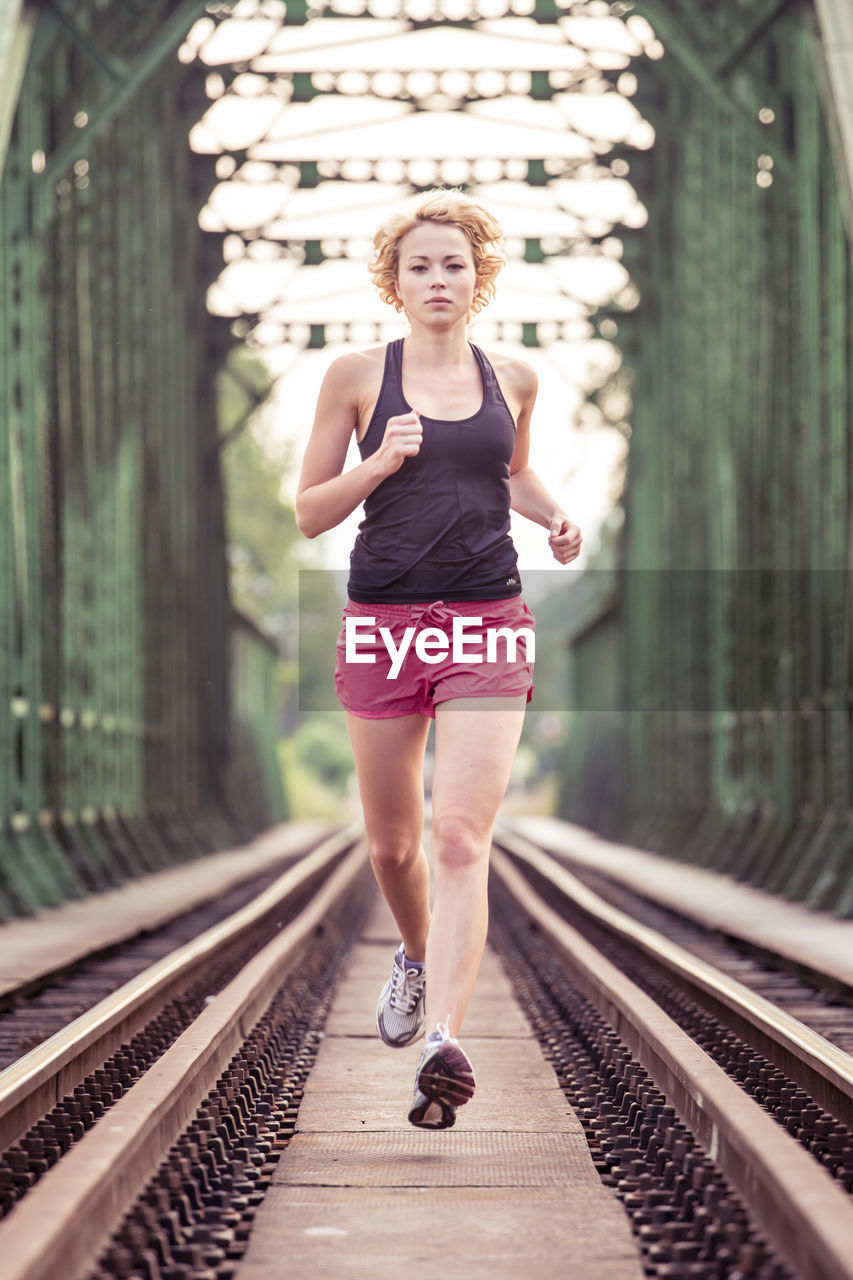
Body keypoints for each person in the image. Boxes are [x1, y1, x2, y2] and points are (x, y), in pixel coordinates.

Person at [295, 189, 582, 1129]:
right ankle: (416, 959)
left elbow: (513, 471)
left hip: (485, 619)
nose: (436, 278)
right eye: (418, 264)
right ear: (394, 281)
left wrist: (554, 515)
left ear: (477, 277)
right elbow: (308, 512)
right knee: (393, 846)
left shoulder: (515, 378)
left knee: (459, 837)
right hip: (383, 621)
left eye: (453, 263)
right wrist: (377, 464)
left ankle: (442, 1044)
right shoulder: (352, 377)